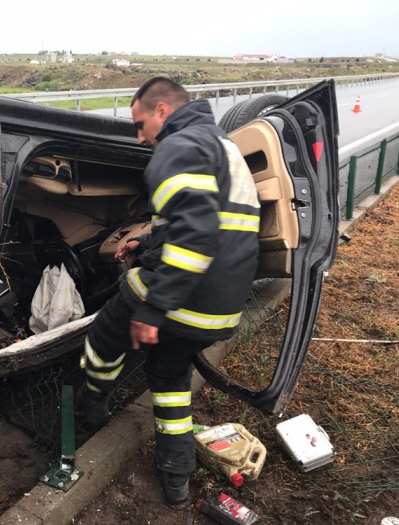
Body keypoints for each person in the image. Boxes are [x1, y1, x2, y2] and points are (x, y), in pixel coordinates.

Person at [75, 77, 261, 507]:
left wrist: (153, 309)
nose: (140, 138)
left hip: (182, 300)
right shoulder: (223, 147)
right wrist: (145, 244)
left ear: (162, 110)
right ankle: (177, 479)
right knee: (169, 379)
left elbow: (195, 237)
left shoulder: (178, 146)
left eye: (140, 126)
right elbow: (204, 223)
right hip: (219, 312)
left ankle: (93, 405)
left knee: (103, 337)